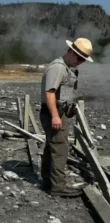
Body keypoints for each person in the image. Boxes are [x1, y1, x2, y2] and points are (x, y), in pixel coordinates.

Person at [39, 37, 93, 197]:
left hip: (57, 111)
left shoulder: (66, 68)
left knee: (52, 147)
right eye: (79, 58)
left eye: (83, 59)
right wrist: (55, 116)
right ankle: (58, 187)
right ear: (70, 51)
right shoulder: (58, 68)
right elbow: (49, 92)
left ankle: (48, 181)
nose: (80, 62)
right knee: (60, 148)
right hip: (52, 112)